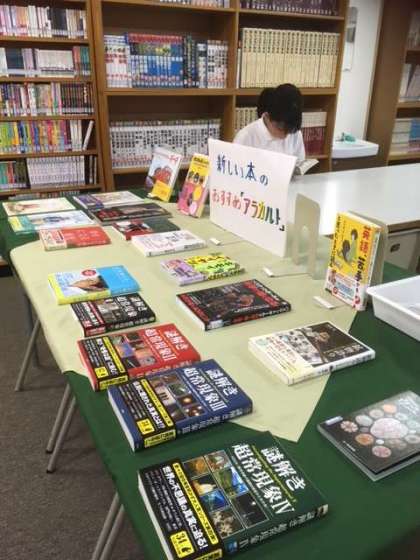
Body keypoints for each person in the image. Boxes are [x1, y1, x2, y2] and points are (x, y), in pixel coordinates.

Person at [234, 83, 305, 164]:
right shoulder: (245, 137)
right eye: (280, 128)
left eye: (289, 130)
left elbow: (300, 164)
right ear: (267, 116)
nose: (284, 135)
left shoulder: (295, 134)